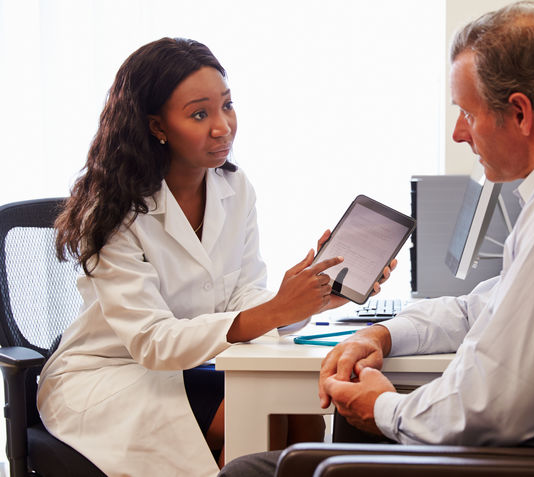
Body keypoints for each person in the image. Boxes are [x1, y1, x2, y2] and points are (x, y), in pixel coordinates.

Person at [218, 1, 534, 475]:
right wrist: (382, 333)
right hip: (531, 448)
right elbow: (476, 309)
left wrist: (383, 409)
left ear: (519, 112)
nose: (460, 133)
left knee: (248, 471)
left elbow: (491, 408)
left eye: (467, 113)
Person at [37, 38, 392, 477]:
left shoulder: (234, 188)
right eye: (199, 113)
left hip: (187, 367)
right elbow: (152, 341)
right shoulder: (114, 210)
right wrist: (275, 309)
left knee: (298, 412)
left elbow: (241, 294)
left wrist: (309, 299)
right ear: (156, 125)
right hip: (110, 376)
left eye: (227, 105)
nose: (223, 126)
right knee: (259, 413)